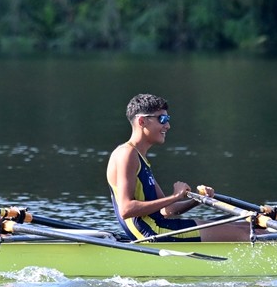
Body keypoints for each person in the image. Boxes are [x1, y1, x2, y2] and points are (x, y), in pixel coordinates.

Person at [106, 93, 252, 242]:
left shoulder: (139, 157)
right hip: (152, 233)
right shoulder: (127, 153)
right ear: (142, 121)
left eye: (167, 120)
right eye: (162, 119)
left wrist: (197, 200)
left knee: (248, 227)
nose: (167, 126)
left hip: (161, 226)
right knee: (245, 235)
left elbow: (166, 210)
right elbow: (126, 209)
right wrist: (175, 196)